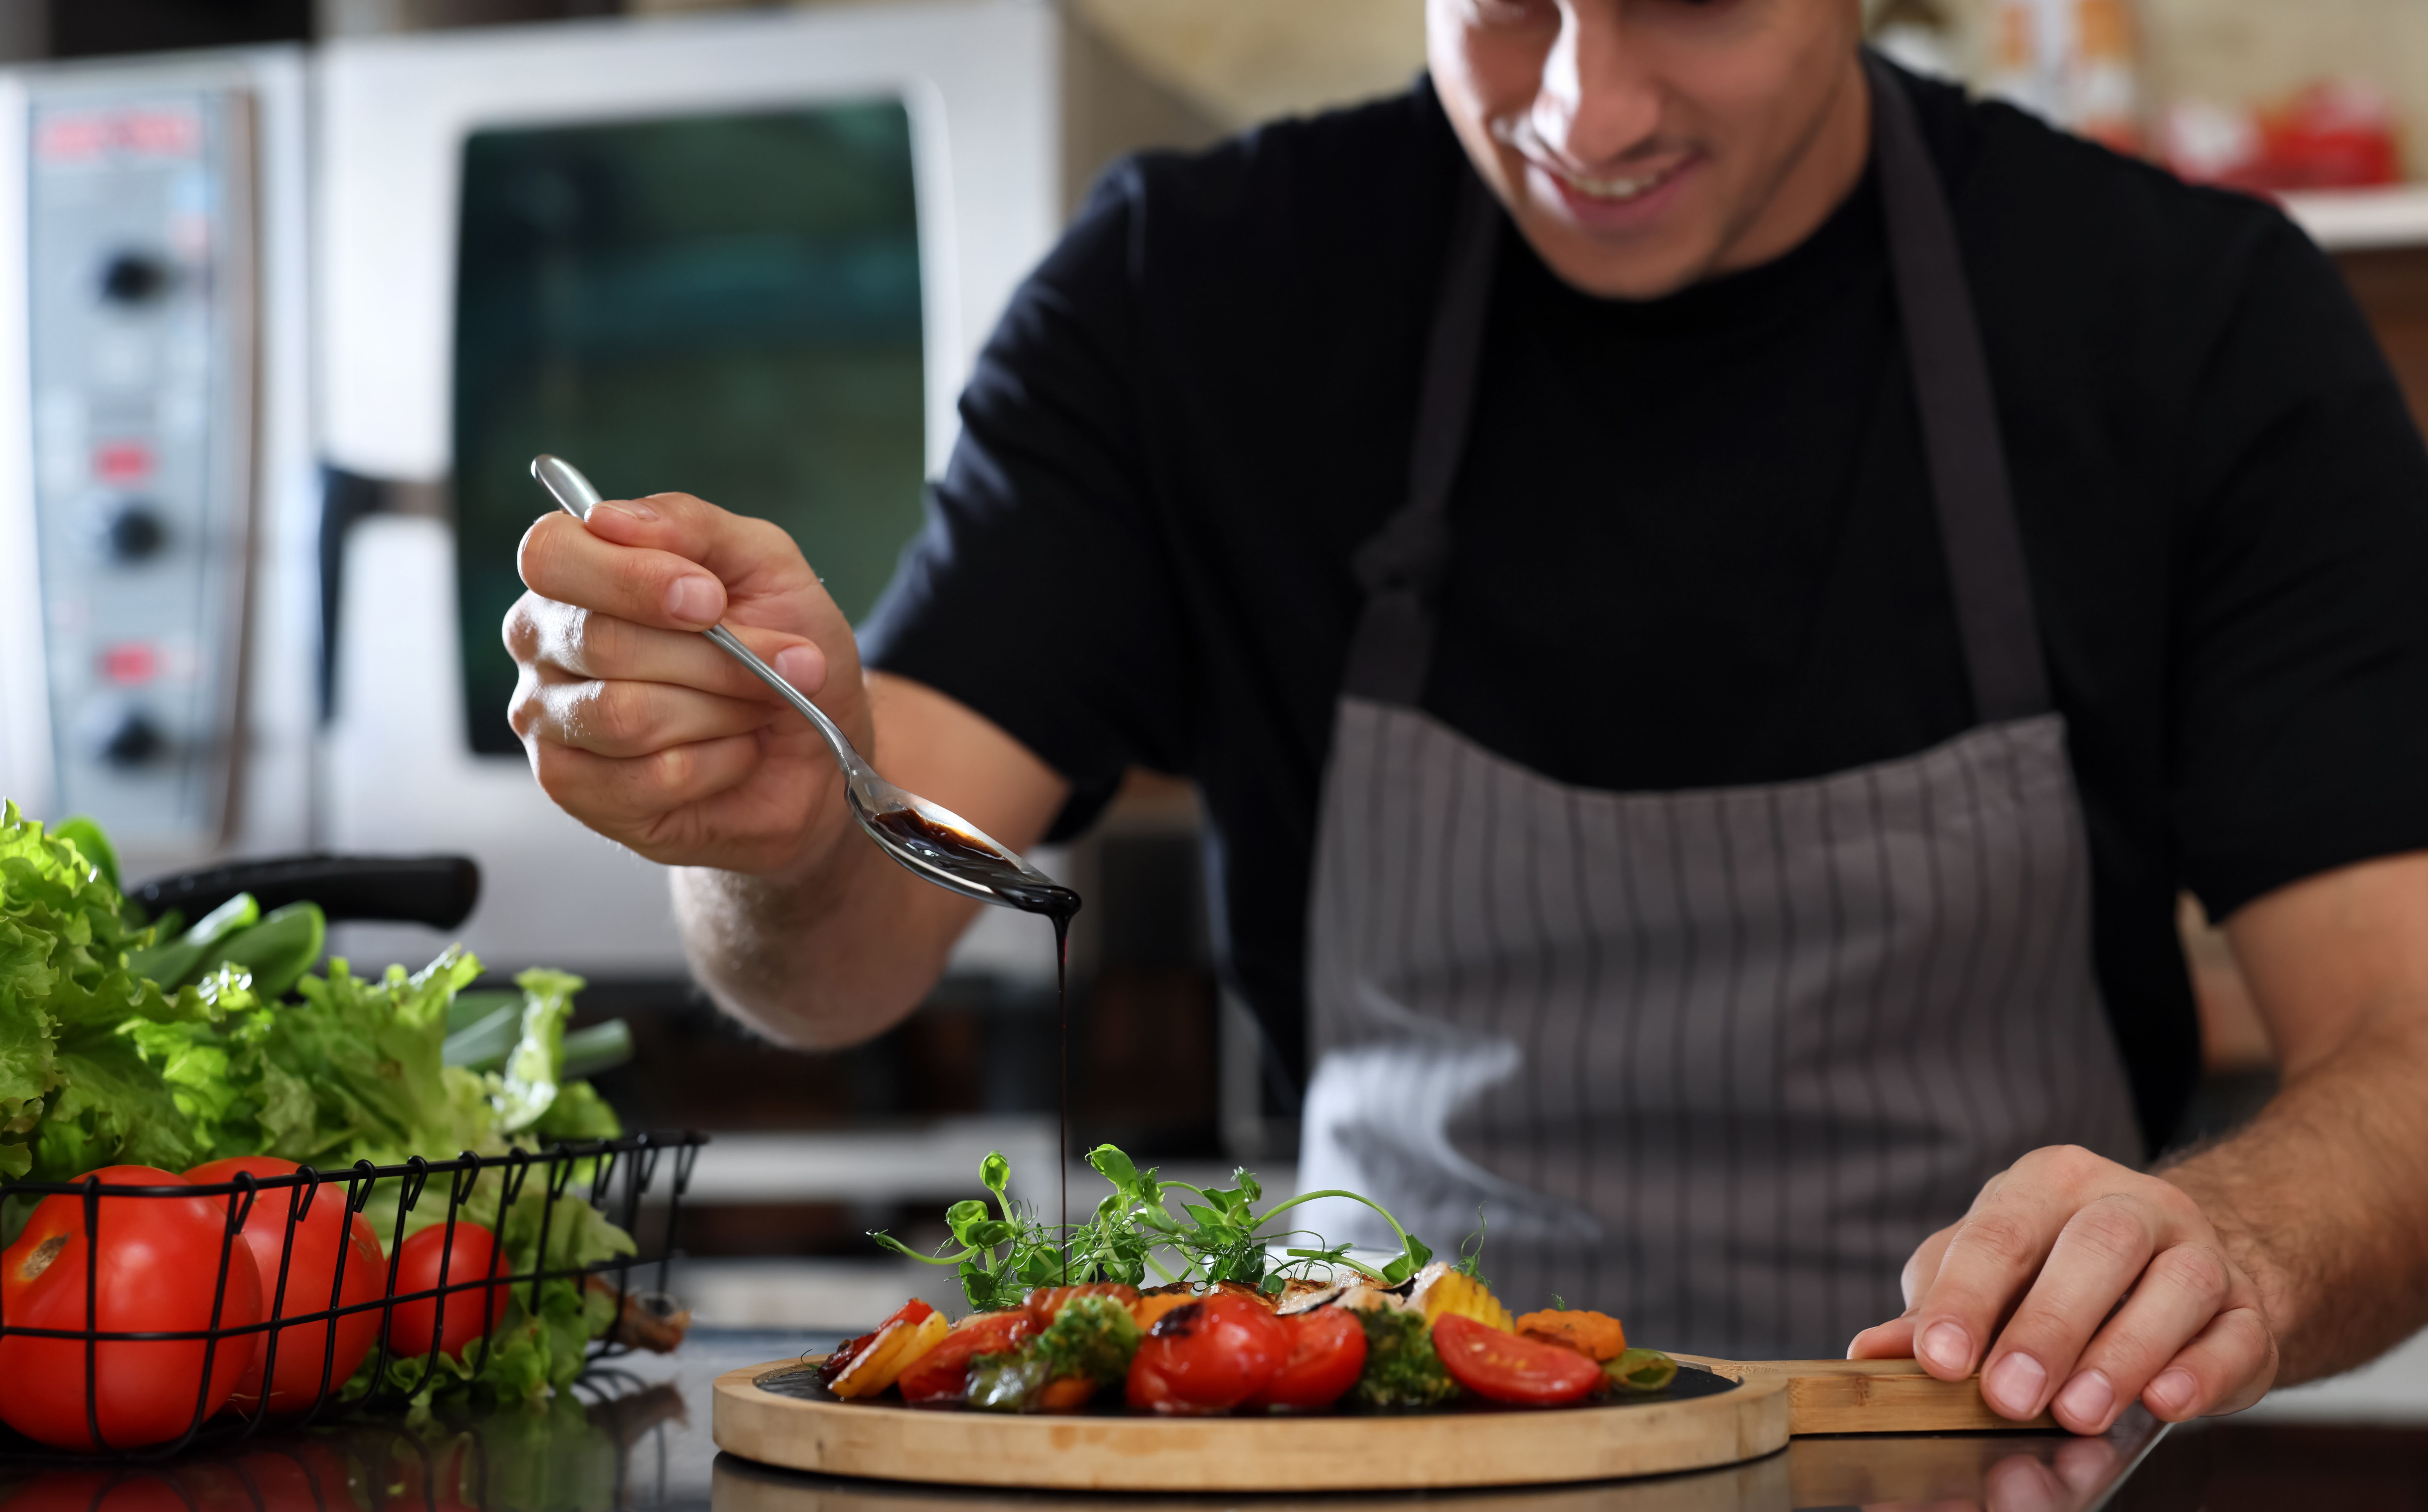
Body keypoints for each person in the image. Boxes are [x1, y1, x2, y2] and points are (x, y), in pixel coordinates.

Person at [502, 0, 2428, 1434]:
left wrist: (2234, 1243)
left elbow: (2403, 1046)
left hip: (1985, 1502)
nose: (1585, 103)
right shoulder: (1189, 299)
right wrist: (767, 815)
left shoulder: (2187, 324)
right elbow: (842, 956)